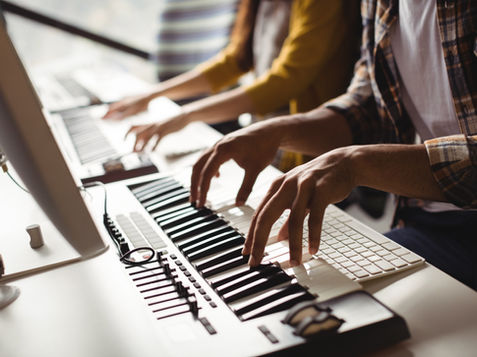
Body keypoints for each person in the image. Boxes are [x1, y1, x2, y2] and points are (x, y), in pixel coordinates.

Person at [189, 0, 477, 290]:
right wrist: (278, 131)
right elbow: (365, 105)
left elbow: (290, 76)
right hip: (423, 220)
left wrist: (355, 163)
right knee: (307, 298)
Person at [104, 0, 360, 171]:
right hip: (263, 129)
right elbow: (233, 62)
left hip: (303, 146)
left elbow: (287, 80)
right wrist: (151, 95)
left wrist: (186, 115)